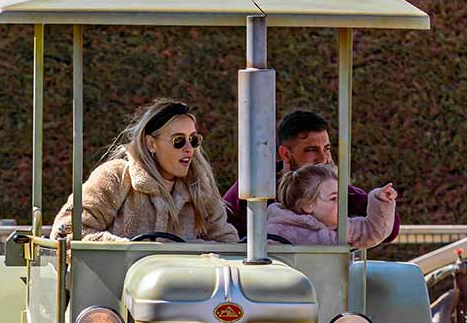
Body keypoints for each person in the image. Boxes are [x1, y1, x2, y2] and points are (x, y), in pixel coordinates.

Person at [51, 99, 238, 243]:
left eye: (194, 140)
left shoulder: (200, 188)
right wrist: (130, 252)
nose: (189, 148)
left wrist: (193, 253)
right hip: (115, 291)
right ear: (151, 144)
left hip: (184, 292)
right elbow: (66, 230)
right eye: (178, 141)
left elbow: (226, 243)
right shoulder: (115, 176)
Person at [222, 109, 400, 243]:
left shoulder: (338, 191)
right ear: (285, 154)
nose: (324, 158)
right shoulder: (255, 186)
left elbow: (389, 230)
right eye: (311, 150)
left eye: (327, 149)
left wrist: (381, 201)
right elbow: (221, 225)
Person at [267, 163, 397, 247]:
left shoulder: (340, 227)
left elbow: (371, 231)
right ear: (307, 205)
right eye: (334, 198)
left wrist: (379, 200)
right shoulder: (278, 231)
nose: (342, 204)